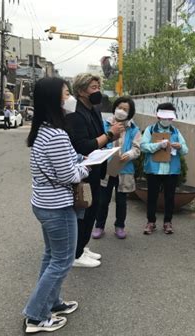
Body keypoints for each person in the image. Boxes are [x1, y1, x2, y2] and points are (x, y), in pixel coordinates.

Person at [23, 77, 89, 334]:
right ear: (55, 99)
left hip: (44, 204)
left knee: (52, 256)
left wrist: (80, 159)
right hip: (58, 208)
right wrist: (88, 165)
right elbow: (69, 175)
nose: (69, 97)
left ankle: (52, 302)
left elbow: (65, 161)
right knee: (62, 260)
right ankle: (36, 316)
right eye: (65, 92)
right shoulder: (57, 134)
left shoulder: (43, 129)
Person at [68, 73, 125, 268]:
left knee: (92, 210)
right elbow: (84, 146)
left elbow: (97, 135)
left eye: (98, 86)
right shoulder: (76, 113)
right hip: (83, 171)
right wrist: (110, 135)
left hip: (95, 168)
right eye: (93, 87)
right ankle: (75, 254)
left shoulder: (94, 109)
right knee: (84, 212)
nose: (97, 91)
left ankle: (82, 247)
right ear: (81, 91)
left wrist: (108, 132)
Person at [92, 96, 141, 239]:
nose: (121, 111)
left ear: (130, 112)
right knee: (103, 200)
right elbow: (98, 143)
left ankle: (120, 226)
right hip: (106, 169)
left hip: (124, 170)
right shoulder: (104, 125)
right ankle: (99, 226)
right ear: (115, 108)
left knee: (121, 201)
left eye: (125, 109)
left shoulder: (133, 129)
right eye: (120, 108)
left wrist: (130, 154)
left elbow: (137, 148)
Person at [140, 102, 188, 235]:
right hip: (154, 170)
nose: (167, 120)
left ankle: (168, 222)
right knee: (152, 197)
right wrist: (158, 145)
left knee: (170, 197)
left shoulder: (176, 132)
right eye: (164, 117)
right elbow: (143, 146)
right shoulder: (151, 130)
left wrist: (179, 147)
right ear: (158, 116)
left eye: (169, 118)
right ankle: (151, 222)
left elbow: (185, 150)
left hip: (171, 170)